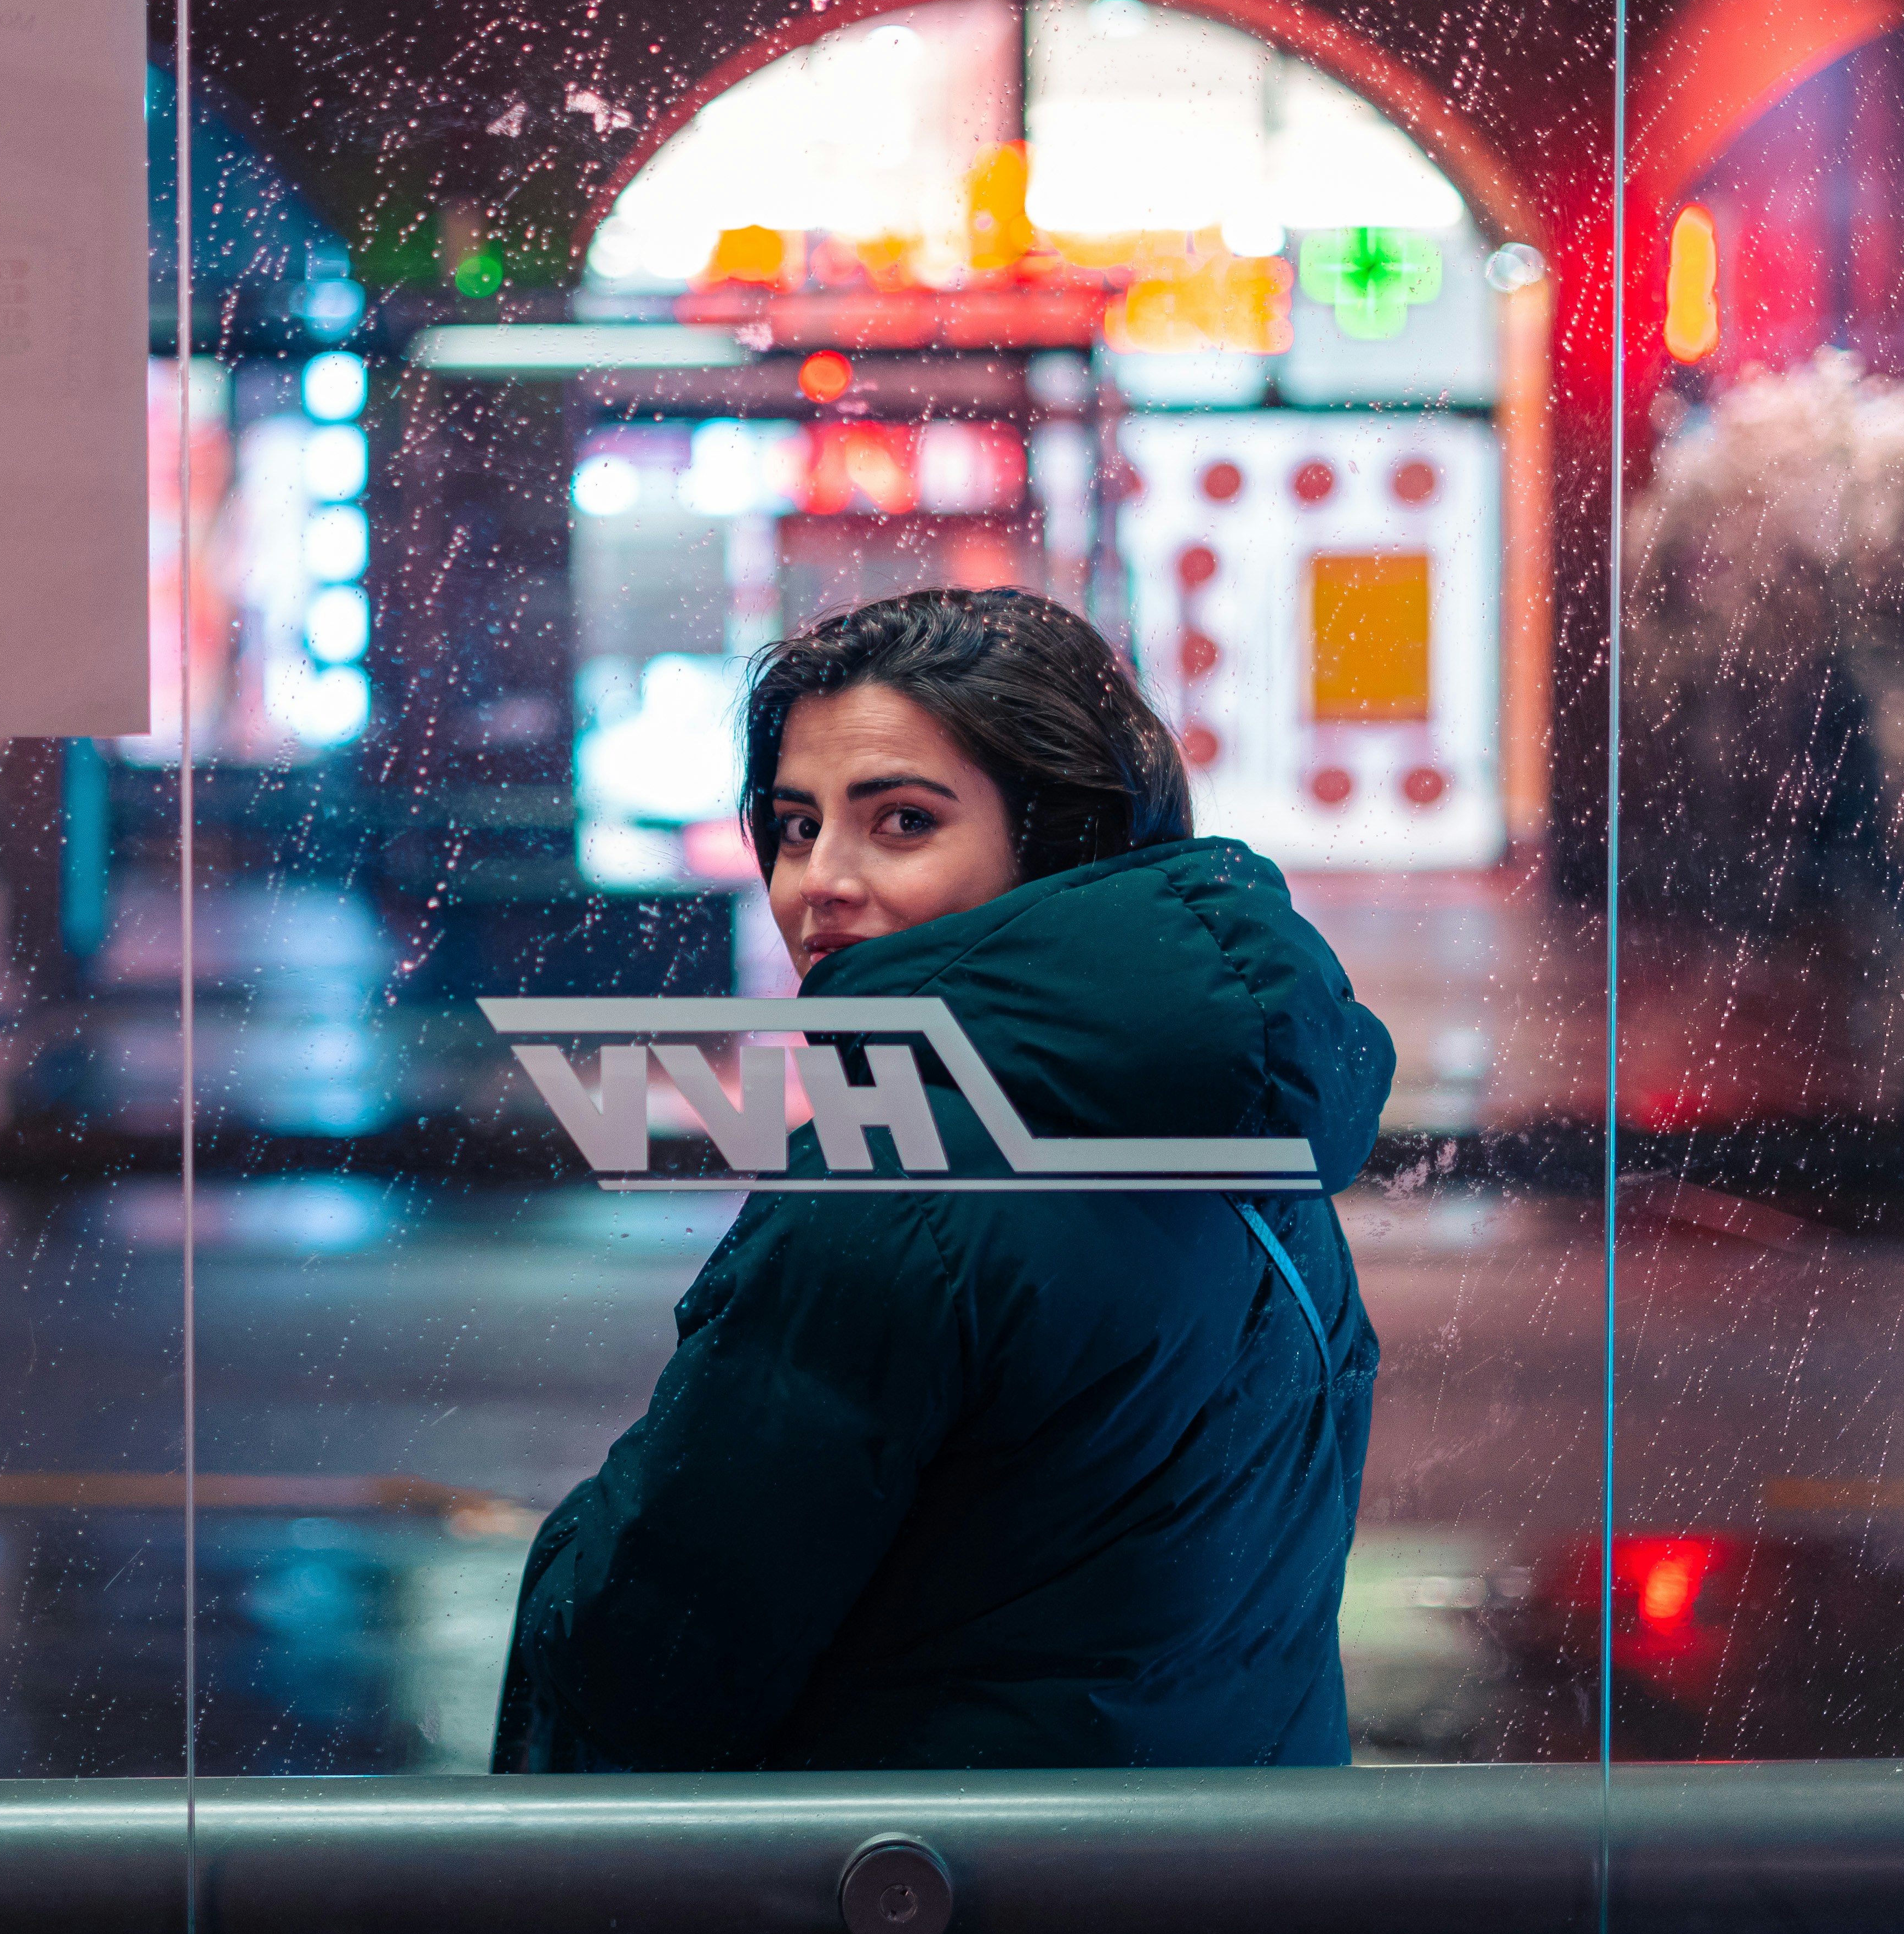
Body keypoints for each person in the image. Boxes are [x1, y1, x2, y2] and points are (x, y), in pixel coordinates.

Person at [493, 586, 1394, 1772]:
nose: (819, 880)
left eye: (903, 823)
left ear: (1056, 839)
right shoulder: (1240, 1133)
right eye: (796, 825)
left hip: (923, 1877)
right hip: (1197, 1872)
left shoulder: (902, 1184)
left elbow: (647, 1657)